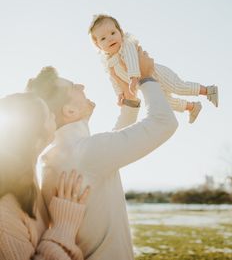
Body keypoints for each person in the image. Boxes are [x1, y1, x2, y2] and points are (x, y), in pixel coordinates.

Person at [27, 48, 178, 260]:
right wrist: (146, 77)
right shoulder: (85, 153)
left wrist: (130, 106)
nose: (81, 85)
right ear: (69, 111)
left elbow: (107, 151)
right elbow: (164, 122)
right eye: (73, 87)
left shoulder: (61, 156)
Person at [0, 92, 89, 260]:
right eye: (48, 115)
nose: (54, 115)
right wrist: (63, 228)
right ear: (35, 139)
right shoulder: (4, 217)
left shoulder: (26, 180)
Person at [88, 14, 219, 123]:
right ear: (98, 45)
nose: (110, 38)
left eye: (113, 33)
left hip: (157, 74)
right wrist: (119, 94)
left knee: (178, 87)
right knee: (165, 102)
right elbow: (114, 80)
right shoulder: (109, 63)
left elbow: (132, 59)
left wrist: (133, 77)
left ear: (120, 32)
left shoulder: (126, 46)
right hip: (145, 84)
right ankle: (192, 107)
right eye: (103, 38)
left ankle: (209, 91)